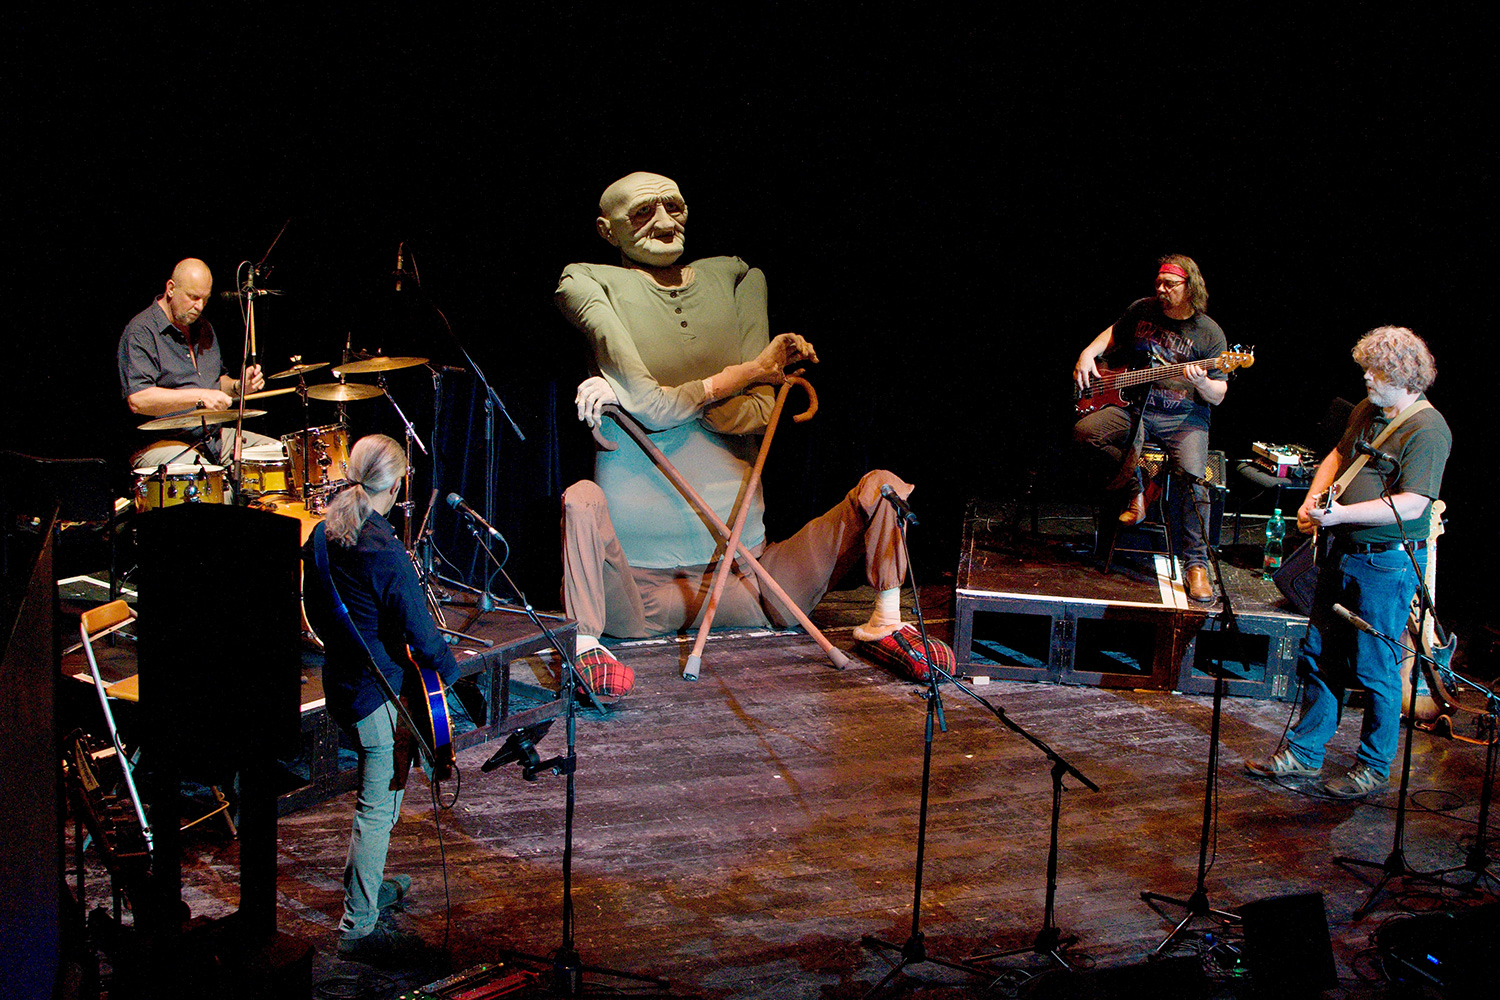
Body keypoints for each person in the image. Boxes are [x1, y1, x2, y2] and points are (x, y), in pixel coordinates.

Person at [556, 171, 951, 695]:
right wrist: (749, 372)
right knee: (582, 500)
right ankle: (585, 648)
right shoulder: (586, 281)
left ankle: (887, 621)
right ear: (607, 230)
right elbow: (653, 403)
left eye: (673, 206)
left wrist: (655, 397)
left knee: (883, 487)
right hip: (640, 596)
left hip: (753, 581)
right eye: (643, 212)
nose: (664, 222)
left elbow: (756, 411)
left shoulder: (736, 277)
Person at [1247, 327, 1450, 798]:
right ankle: (1304, 754)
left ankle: (1373, 767)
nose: (1366, 378)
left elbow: (1415, 503)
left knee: (1376, 667)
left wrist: (1341, 514)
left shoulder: (1429, 429)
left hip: (1385, 564)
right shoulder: (1367, 409)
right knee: (1320, 654)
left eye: (1376, 371)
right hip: (1341, 552)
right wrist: (1315, 499)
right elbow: (1339, 456)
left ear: (1402, 375)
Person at [300, 435, 461, 962]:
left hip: (342, 683)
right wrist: (454, 675)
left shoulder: (321, 536)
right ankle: (358, 924)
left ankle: (367, 887)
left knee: (385, 797)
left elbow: (317, 614)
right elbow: (423, 632)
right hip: (378, 697)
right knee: (377, 807)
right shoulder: (385, 550)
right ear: (394, 487)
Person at [1072, 255, 1230, 603]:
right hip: (1137, 408)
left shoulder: (1209, 333)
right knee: (1086, 433)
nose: (1161, 289)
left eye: (1169, 284)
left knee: (1195, 479)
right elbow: (1115, 332)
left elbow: (1218, 395)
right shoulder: (1143, 309)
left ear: (1190, 287)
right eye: (1158, 282)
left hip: (1184, 418)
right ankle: (1137, 489)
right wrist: (1087, 353)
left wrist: (1202, 383)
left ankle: (1196, 565)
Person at [117, 257, 274, 469]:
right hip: (162, 443)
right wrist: (200, 396)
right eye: (193, 297)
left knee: (275, 454)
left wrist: (238, 386)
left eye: (205, 299)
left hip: (212, 437)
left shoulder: (204, 328)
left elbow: (215, 383)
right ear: (171, 289)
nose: (199, 306)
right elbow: (139, 399)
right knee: (205, 476)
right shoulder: (141, 332)